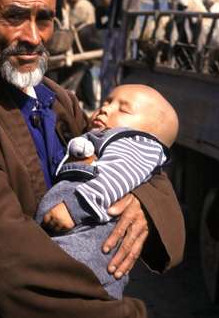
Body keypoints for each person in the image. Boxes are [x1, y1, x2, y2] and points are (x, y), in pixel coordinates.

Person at [0, 0, 185, 318]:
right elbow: (13, 272)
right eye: (14, 17)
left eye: (44, 19)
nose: (33, 38)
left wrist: (143, 201)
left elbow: (137, 148)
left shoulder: (55, 98)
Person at [36, 84, 179, 299]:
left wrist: (75, 208)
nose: (105, 109)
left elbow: (114, 177)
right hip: (71, 236)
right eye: (106, 102)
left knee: (59, 274)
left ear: (150, 134)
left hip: (85, 233)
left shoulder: (135, 142)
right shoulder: (105, 139)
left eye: (124, 109)